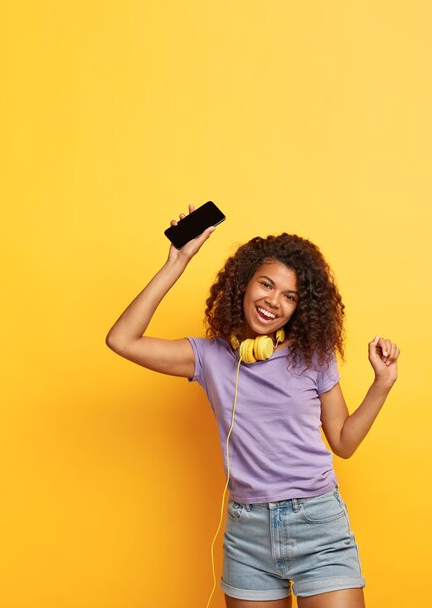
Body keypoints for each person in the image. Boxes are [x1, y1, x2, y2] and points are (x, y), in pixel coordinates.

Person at [106, 204, 400, 608]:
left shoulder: (313, 357)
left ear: (300, 307)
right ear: (244, 284)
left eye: (289, 296)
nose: (273, 301)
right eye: (266, 285)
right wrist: (177, 263)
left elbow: (344, 442)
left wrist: (382, 384)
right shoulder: (208, 357)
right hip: (248, 533)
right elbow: (122, 340)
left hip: (318, 524)